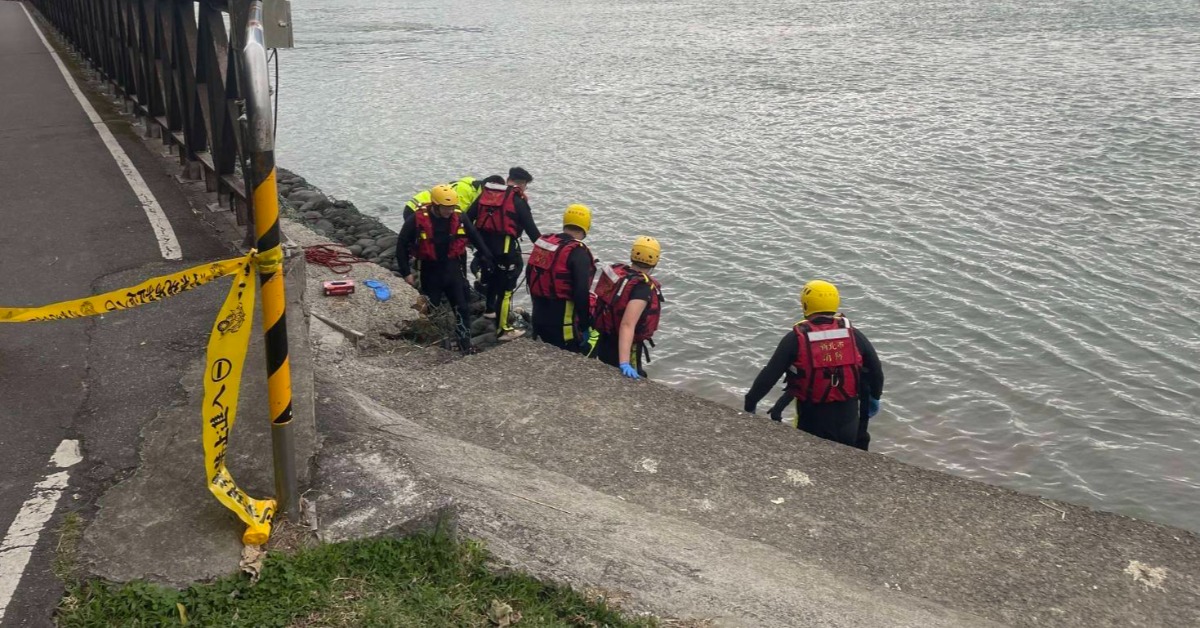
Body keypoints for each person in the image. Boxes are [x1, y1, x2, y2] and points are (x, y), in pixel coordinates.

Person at [744, 280, 883, 448]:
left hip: (812, 421)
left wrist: (750, 404)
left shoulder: (796, 339)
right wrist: (875, 398)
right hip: (849, 423)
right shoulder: (853, 335)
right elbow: (876, 371)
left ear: (805, 305)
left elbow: (768, 376)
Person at [395, 184, 494, 354]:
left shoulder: (459, 216)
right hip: (430, 272)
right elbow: (401, 245)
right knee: (432, 309)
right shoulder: (417, 219)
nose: (449, 211)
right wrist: (406, 272)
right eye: (445, 208)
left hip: (453, 270)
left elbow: (474, 236)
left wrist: (487, 256)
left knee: (462, 308)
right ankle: (438, 344)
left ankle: (465, 345)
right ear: (435, 204)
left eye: (451, 207)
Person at [466, 167, 541, 338]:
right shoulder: (518, 200)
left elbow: (467, 217)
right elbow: (533, 232)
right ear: (522, 184)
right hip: (506, 252)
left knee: (492, 280)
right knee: (506, 290)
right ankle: (503, 329)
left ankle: (490, 310)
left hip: (484, 250)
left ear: (509, 179)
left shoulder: (487, 194)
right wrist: (549, 249)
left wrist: (477, 242)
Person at [591, 236, 664, 379]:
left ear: (632, 255)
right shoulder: (642, 289)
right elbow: (627, 324)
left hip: (604, 339)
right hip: (624, 347)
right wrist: (624, 362)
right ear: (655, 262)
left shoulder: (620, 276)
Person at [526, 204, 595, 351]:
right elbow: (581, 293)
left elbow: (530, 273)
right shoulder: (579, 252)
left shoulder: (546, 243)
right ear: (586, 226)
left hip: (538, 314)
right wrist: (585, 325)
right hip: (562, 322)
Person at [403, 175, 504, 220]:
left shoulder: (475, 189)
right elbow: (458, 215)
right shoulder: (465, 189)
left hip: (431, 210)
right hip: (416, 208)